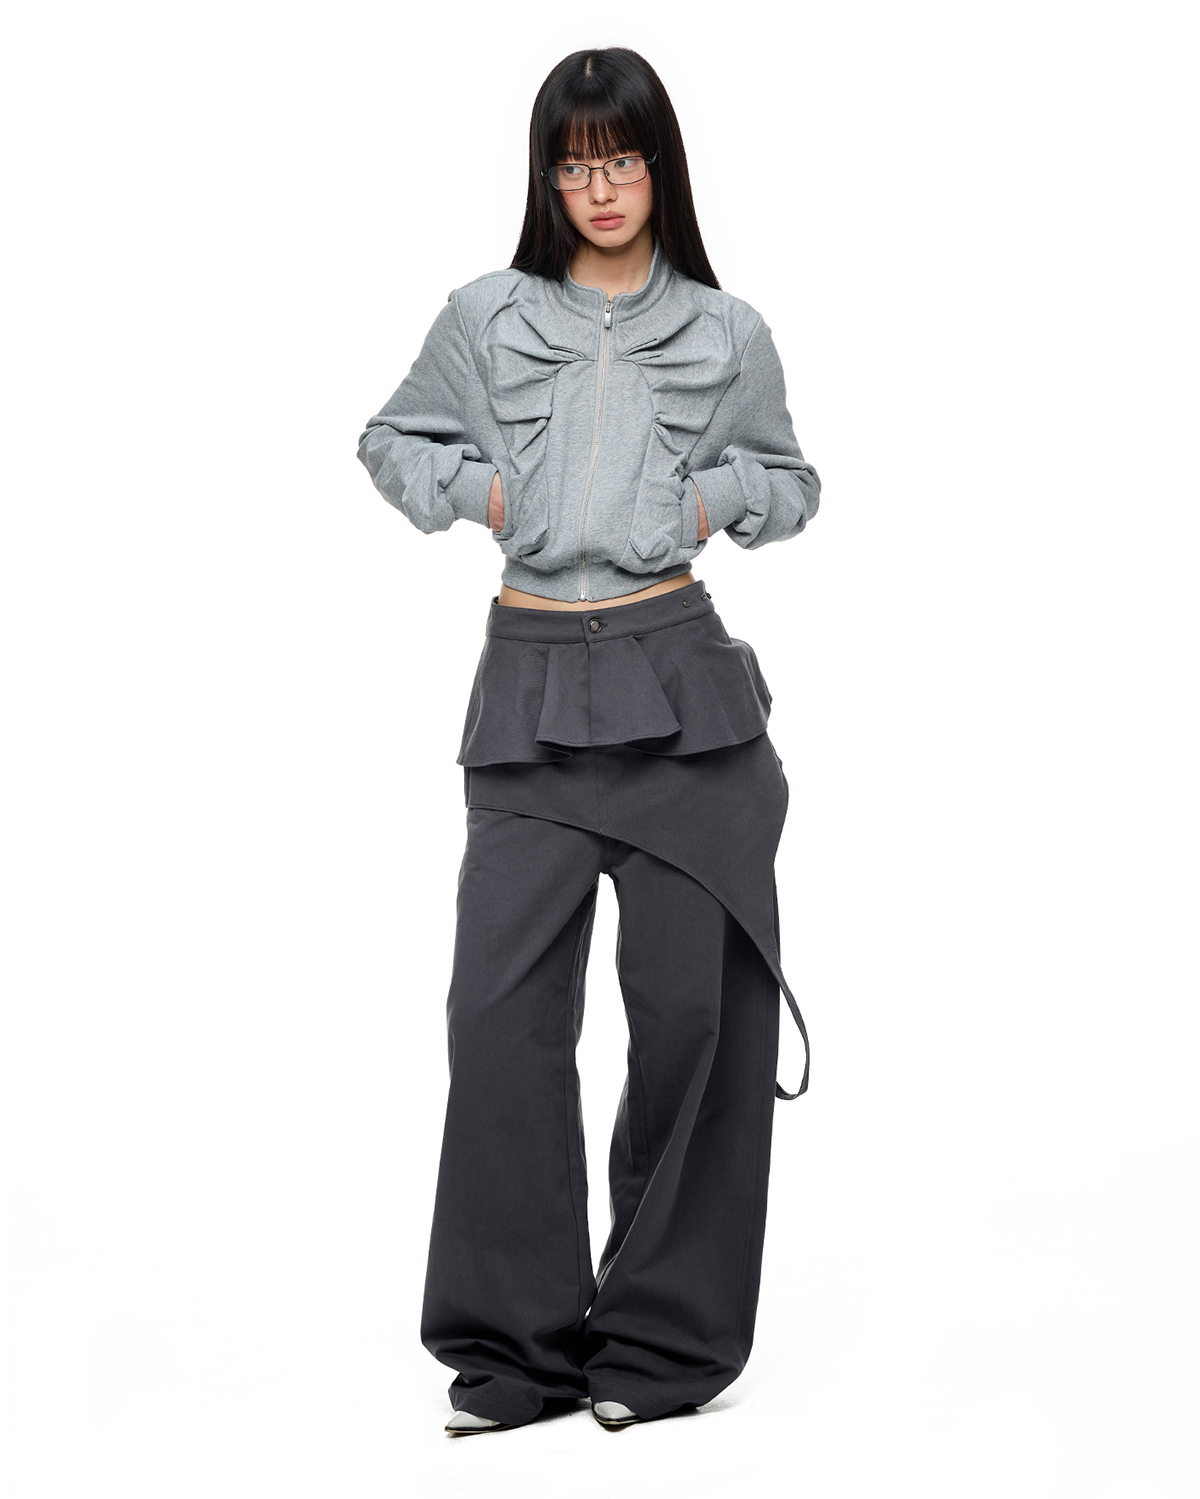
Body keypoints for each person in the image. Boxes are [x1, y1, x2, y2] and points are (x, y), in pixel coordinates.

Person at [355, 46, 822, 1437]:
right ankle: (516, 1352)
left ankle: (662, 1345)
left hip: (686, 699)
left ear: (659, 168)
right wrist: (482, 493)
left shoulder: (729, 331)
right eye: (575, 165)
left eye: (622, 160)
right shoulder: (485, 315)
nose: (601, 188)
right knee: (497, 1021)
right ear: (547, 179)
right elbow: (387, 439)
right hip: (532, 691)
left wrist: (713, 502)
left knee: (693, 1025)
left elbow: (796, 481)